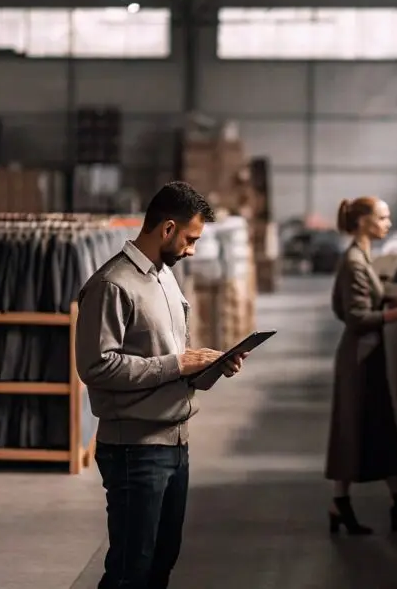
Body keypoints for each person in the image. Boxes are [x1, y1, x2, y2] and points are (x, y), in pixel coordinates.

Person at [76, 181, 248, 589]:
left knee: (161, 560)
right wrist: (178, 363)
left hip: (175, 443)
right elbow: (97, 367)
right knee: (129, 570)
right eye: (190, 239)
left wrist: (209, 367)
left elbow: (172, 358)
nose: (192, 250)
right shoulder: (112, 285)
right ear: (167, 229)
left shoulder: (165, 278)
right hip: (135, 450)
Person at [324, 195, 397, 535]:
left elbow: (374, 294)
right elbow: (358, 316)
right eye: (383, 217)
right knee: (361, 430)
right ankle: (373, 504)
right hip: (360, 356)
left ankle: (367, 504)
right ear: (363, 222)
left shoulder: (360, 257)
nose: (388, 223)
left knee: (369, 430)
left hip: (365, 354)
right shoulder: (355, 262)